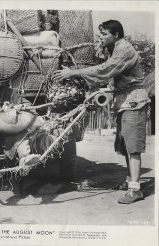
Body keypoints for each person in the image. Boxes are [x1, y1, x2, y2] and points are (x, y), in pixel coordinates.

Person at [52, 20, 150, 204]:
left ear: (117, 35)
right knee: (125, 144)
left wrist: (74, 73)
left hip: (134, 101)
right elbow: (109, 78)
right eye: (101, 34)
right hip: (124, 101)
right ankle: (130, 181)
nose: (101, 37)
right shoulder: (114, 49)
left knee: (133, 147)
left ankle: (135, 189)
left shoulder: (125, 49)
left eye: (105, 34)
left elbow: (105, 70)